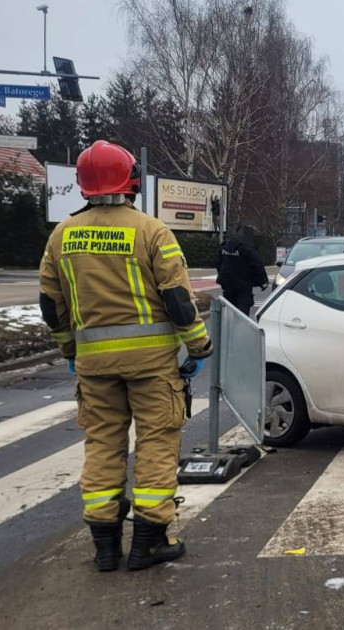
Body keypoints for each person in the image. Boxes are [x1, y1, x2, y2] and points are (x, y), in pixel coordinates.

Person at [39, 140, 213, 572]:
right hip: (152, 366)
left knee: (102, 444)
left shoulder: (62, 235)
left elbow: (51, 305)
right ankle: (149, 542)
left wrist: (69, 349)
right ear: (130, 181)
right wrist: (198, 347)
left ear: (83, 185)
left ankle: (105, 545)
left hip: (95, 367)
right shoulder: (152, 231)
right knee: (156, 443)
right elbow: (177, 299)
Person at [216, 224, 269, 315]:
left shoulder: (226, 246)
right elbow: (258, 265)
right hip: (243, 287)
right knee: (242, 317)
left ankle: (229, 329)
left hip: (228, 286)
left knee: (228, 314)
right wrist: (263, 281)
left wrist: (222, 278)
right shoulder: (247, 248)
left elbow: (218, 263)